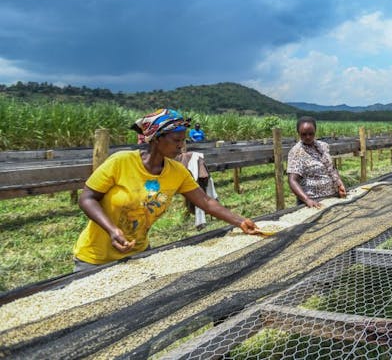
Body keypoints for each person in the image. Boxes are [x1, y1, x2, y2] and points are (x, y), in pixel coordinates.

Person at [72, 108, 259, 271]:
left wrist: (240, 221)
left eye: (183, 140)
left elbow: (206, 202)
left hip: (138, 255)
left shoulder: (177, 171)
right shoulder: (121, 161)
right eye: (176, 140)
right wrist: (112, 230)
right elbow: (87, 198)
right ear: (156, 139)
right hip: (95, 259)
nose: (181, 146)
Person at [287, 116, 346, 208]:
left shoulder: (323, 146)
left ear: (315, 132)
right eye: (304, 134)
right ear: (298, 133)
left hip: (332, 195)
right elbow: (292, 180)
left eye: (311, 134)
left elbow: (331, 168)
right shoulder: (296, 152)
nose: (308, 137)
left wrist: (339, 184)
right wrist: (307, 200)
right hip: (314, 200)